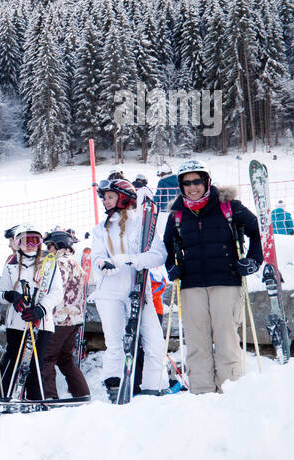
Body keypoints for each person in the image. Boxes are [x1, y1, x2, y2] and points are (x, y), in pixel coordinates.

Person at [162, 159, 263, 395]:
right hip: (191, 285)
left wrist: (253, 261)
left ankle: (231, 392)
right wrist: (171, 268)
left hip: (226, 281)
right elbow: (167, 249)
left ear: (206, 181)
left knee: (226, 339)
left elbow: (258, 232)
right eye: (186, 183)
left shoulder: (229, 206)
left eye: (197, 181)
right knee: (197, 342)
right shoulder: (177, 214)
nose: (192, 187)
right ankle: (201, 393)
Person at [90, 179, 168, 400]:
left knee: (155, 342)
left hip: (139, 291)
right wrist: (104, 266)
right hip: (110, 292)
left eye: (109, 196)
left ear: (123, 197)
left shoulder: (142, 224)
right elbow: (96, 258)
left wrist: (129, 259)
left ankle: (152, 388)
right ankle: (114, 388)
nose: (105, 201)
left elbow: (158, 255)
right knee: (115, 343)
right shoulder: (100, 229)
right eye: (103, 197)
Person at [0, 224, 64, 400]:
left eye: (35, 240)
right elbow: (0, 294)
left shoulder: (48, 262)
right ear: (17, 243)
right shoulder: (11, 263)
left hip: (40, 324)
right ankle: (6, 396)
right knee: (12, 362)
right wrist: (11, 295)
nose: (30, 244)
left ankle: (35, 400)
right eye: (25, 241)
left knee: (34, 365)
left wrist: (41, 309)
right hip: (16, 323)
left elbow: (57, 292)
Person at [39, 231, 90, 400]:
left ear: (59, 245)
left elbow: (52, 289)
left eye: (50, 246)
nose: (48, 250)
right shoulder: (75, 263)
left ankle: (49, 396)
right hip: (74, 318)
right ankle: (82, 393)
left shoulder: (59, 263)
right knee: (65, 358)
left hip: (59, 318)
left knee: (46, 358)